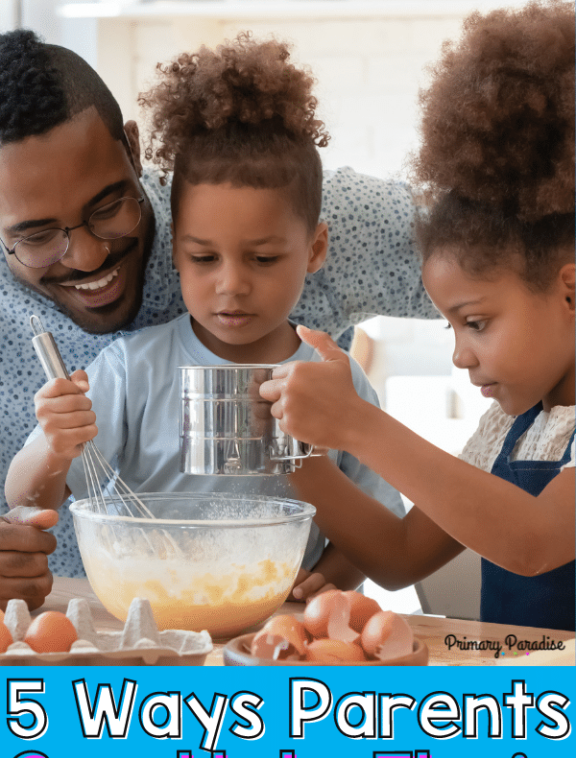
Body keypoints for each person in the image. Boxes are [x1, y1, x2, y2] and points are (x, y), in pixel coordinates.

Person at [0, 29, 436, 603]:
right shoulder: (131, 368)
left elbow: (512, 257)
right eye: (35, 236)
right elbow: (30, 496)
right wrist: (52, 450)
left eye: (107, 208)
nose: (86, 257)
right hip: (117, 614)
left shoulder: (332, 358)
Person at [260, 0, 575, 630]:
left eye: (477, 322)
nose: (460, 354)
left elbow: (534, 543)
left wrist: (359, 425)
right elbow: (402, 557)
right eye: (450, 329)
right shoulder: (509, 429)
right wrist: (293, 447)